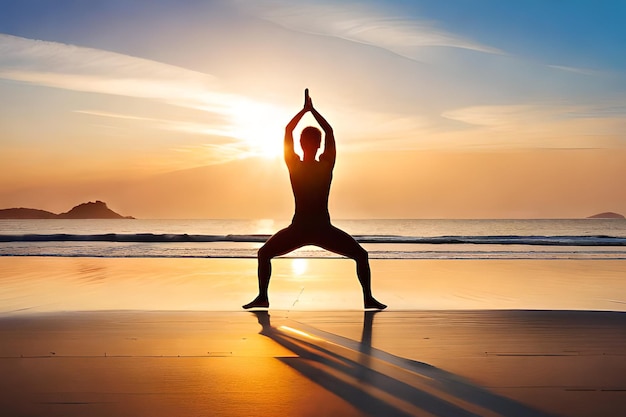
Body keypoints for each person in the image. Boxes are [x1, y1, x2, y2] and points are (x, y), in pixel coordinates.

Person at [243, 89, 386, 310]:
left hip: (305, 227)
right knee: (361, 255)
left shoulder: (296, 165)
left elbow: (289, 130)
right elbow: (328, 130)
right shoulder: (325, 165)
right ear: (318, 145)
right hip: (316, 228)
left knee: (264, 253)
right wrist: (312, 111)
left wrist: (304, 111)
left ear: (301, 145)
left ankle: (263, 296)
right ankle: (367, 298)